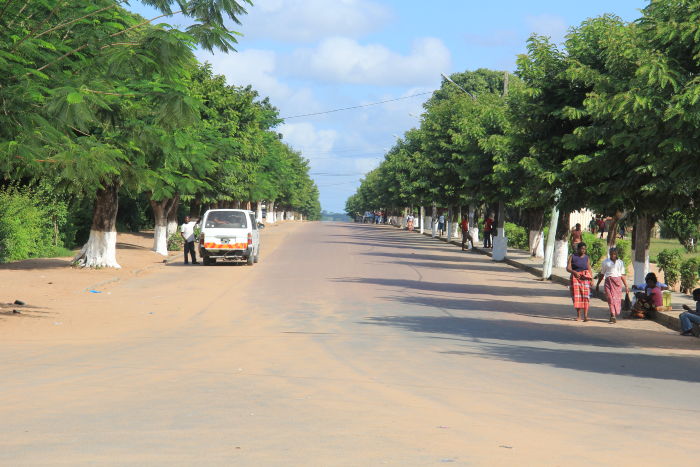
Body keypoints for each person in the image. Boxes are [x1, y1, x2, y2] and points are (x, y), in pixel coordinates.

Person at [596, 247, 630, 323]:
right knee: (610, 299)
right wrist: (598, 284)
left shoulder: (620, 262)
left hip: (617, 283)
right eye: (611, 254)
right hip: (608, 282)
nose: (612, 256)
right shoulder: (605, 262)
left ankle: (615, 313)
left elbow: (622, 275)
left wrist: (626, 286)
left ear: (617, 254)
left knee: (617, 299)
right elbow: (602, 274)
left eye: (614, 254)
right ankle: (612, 315)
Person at [567, 242, 593, 321]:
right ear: (578, 249)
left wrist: (591, 279)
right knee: (576, 297)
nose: (583, 250)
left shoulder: (587, 258)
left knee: (586, 297)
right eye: (582, 249)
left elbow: (589, 268)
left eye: (584, 249)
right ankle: (578, 316)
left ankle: (585, 316)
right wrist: (574, 272)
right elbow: (568, 268)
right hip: (575, 279)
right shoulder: (572, 257)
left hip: (585, 278)